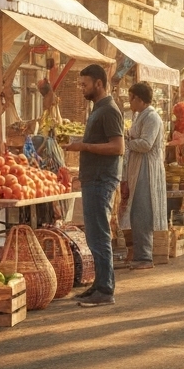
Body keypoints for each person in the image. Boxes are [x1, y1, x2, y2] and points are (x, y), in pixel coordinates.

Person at [65, 64, 123, 307]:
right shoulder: (98, 109)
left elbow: (118, 147)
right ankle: (99, 284)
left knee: (99, 235)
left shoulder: (109, 110)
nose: (82, 89)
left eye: (85, 84)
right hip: (93, 179)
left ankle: (105, 289)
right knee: (95, 234)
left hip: (101, 180)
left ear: (99, 83)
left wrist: (84, 147)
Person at [120, 82, 166, 270]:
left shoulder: (152, 118)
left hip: (147, 169)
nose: (129, 102)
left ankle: (145, 257)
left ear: (138, 99)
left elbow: (146, 144)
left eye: (131, 98)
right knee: (136, 211)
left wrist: (128, 142)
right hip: (137, 168)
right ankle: (139, 254)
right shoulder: (140, 117)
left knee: (143, 211)